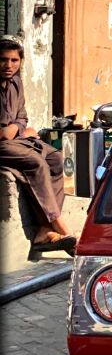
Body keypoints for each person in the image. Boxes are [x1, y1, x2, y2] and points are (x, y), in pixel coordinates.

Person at [0, 39, 77, 253]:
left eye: (14, 60)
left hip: (16, 139)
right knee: (35, 163)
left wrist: (15, 127)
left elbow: (22, 116)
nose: (8, 65)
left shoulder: (16, 82)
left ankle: (44, 229)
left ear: (20, 62)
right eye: (3, 60)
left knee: (56, 159)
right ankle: (59, 225)